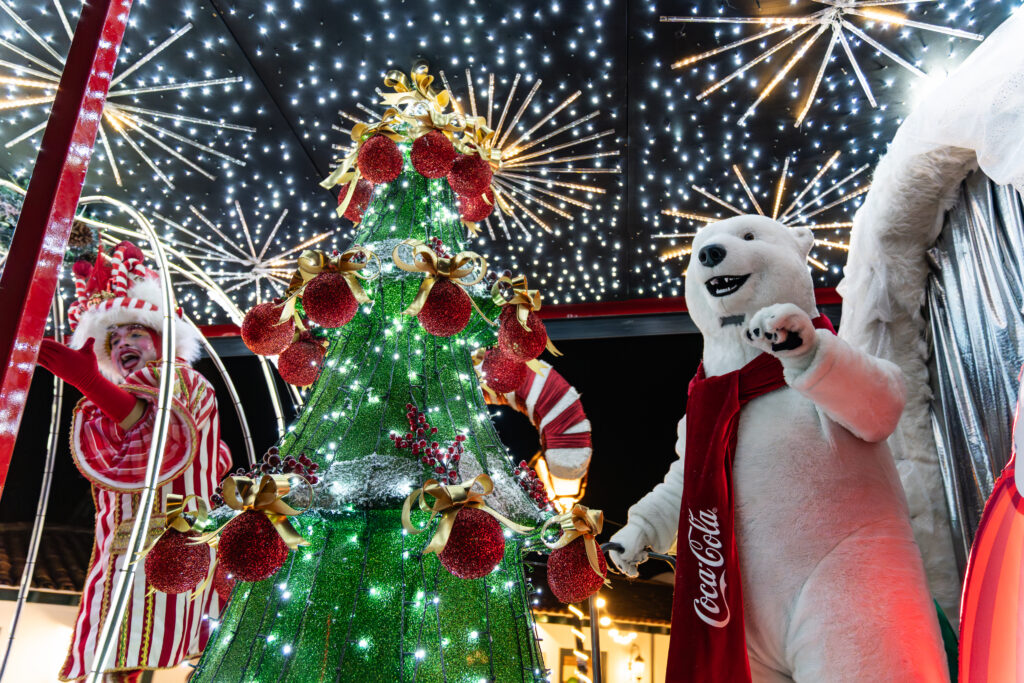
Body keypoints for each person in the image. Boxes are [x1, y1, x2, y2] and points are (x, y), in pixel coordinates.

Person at [35, 241, 232, 683]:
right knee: (111, 657)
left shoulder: (182, 380)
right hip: (119, 550)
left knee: (145, 648)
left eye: (135, 333)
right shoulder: (118, 398)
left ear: (162, 337)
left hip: (175, 547)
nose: (123, 342)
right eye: (114, 339)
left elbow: (157, 432)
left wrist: (89, 382)